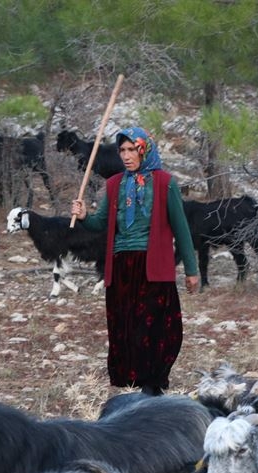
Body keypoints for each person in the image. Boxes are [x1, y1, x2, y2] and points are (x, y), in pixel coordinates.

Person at [71, 126, 199, 395]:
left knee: (160, 327)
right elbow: (100, 223)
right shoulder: (114, 184)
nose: (126, 156)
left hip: (153, 266)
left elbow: (181, 229)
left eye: (132, 149)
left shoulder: (165, 183)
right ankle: (135, 384)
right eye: (122, 150)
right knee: (126, 326)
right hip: (122, 267)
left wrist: (191, 269)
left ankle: (153, 383)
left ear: (144, 150)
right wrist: (83, 217)